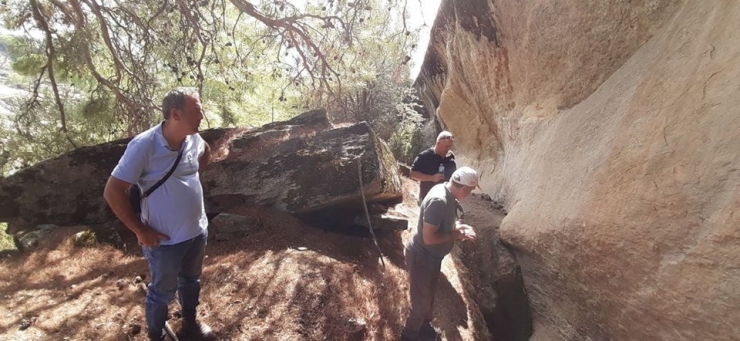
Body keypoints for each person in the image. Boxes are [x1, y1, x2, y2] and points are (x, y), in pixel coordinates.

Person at [103, 87, 215, 341]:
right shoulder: (144, 145)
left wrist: (188, 183)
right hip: (164, 242)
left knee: (191, 280)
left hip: (196, 232)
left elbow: (205, 152)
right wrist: (140, 230)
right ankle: (157, 336)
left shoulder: (192, 138)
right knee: (162, 292)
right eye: (196, 110)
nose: (202, 115)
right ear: (175, 114)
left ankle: (190, 324)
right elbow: (113, 191)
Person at [402, 167, 479, 341]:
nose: (470, 194)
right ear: (464, 188)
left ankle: (424, 329)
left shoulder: (447, 193)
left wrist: (460, 227)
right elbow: (429, 238)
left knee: (428, 296)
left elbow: (443, 224)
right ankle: (409, 336)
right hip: (423, 257)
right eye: (471, 190)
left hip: (432, 257)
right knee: (420, 304)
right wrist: (457, 235)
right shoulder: (440, 201)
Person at [410, 131, 457, 203]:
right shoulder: (425, 156)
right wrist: (431, 178)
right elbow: (413, 174)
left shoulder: (450, 157)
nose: (448, 149)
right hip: (428, 199)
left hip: (447, 199)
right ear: (438, 143)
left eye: (450, 146)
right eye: (446, 146)